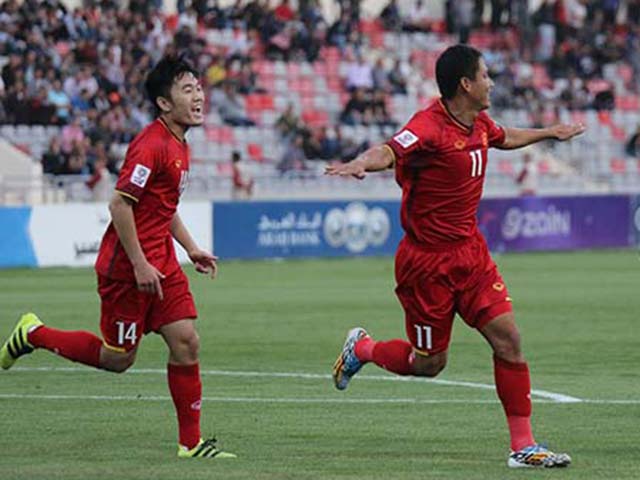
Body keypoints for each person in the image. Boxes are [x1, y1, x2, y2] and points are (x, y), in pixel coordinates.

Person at [326, 45, 585, 469]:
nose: (492, 82)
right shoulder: (427, 127)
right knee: (429, 364)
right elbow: (390, 150)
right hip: (427, 264)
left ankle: (523, 447)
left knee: (510, 340)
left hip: (471, 254)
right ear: (465, 84)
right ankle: (364, 349)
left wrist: (547, 133)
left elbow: (505, 137)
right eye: (486, 75)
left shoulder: (479, 122)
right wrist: (359, 163)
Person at [0, 55, 236, 460]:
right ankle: (33, 333)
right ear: (164, 103)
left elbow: (163, 207)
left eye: (198, 87)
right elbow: (119, 206)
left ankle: (191, 444)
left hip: (161, 262)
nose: (198, 96)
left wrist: (190, 247)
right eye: (187, 89)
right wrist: (141, 264)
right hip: (127, 271)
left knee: (187, 343)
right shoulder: (150, 146)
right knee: (118, 360)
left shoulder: (179, 142)